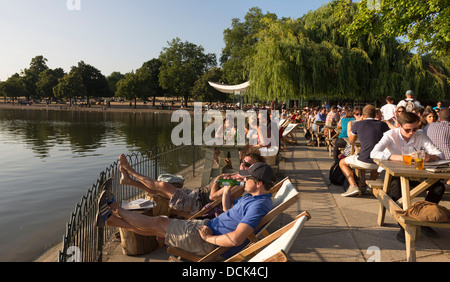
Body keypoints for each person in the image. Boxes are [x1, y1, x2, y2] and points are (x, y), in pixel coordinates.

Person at [98, 162, 275, 259]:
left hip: (208, 241)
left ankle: (114, 208)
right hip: (208, 226)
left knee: (159, 223)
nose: (244, 181)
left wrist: (209, 237)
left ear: (258, 183)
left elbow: (236, 239)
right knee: (156, 227)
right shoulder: (254, 198)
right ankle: (111, 220)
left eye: (248, 179)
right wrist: (227, 191)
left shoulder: (257, 206)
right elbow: (229, 211)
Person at [370, 112, 446, 242]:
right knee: (396, 188)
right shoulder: (390, 135)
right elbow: (374, 153)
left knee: (438, 187)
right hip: (390, 173)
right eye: (408, 130)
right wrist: (401, 158)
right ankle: (403, 226)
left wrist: (430, 157)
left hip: (413, 173)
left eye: (415, 129)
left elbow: (439, 153)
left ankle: (424, 221)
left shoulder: (420, 134)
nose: (412, 133)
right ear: (398, 125)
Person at [118, 150, 264, 215]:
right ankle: (129, 181)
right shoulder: (239, 177)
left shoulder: (238, 186)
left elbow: (213, 196)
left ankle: (130, 170)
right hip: (196, 194)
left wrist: (217, 180)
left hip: (196, 203)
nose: (243, 165)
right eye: (243, 162)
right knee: (158, 191)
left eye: (247, 165)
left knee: (162, 186)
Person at [340, 105, 390, 197]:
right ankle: (370, 185)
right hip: (379, 162)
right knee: (377, 159)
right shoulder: (383, 125)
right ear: (375, 114)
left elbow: (351, 140)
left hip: (363, 160)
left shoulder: (358, 124)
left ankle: (353, 185)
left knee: (342, 162)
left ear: (363, 115)